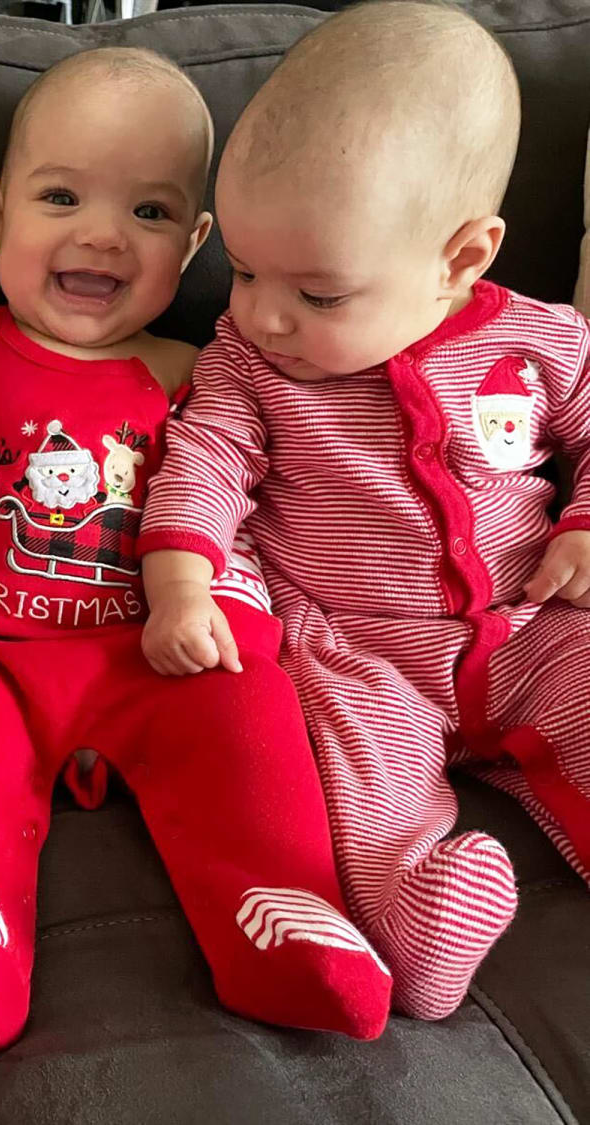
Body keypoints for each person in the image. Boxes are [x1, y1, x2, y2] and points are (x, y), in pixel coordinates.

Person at [0, 47, 392, 1053]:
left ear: (198, 242)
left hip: (165, 650)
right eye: (60, 196)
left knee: (246, 718)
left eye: (150, 213)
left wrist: (246, 605)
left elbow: (276, 482)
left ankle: (282, 905)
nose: (101, 235)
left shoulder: (208, 369)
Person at [140, 1, 590, 1020]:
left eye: (319, 292)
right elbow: (202, 457)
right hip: (357, 653)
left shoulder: (544, 344)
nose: (262, 312)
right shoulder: (253, 365)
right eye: (246, 272)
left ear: (461, 260)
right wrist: (179, 574)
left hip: (532, 630)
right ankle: (417, 912)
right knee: (358, 804)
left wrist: (583, 526)